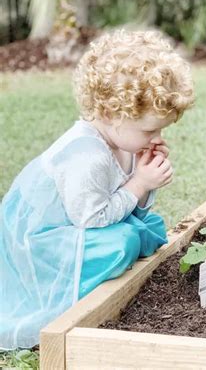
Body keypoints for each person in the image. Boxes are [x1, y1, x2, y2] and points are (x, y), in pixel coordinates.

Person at [0, 30, 194, 349]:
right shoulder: (87, 157)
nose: (156, 136)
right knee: (125, 241)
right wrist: (139, 183)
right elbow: (93, 219)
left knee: (150, 227)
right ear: (108, 114)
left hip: (80, 223)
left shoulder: (123, 139)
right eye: (149, 129)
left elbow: (133, 207)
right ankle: (80, 291)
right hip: (41, 241)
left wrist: (143, 178)